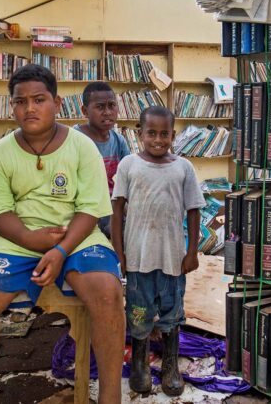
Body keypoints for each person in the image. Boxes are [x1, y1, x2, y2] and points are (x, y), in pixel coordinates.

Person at [0, 64, 125, 404]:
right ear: (11, 107)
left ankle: (111, 396)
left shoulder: (82, 147)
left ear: (58, 103)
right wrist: (33, 241)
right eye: (21, 102)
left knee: (108, 292)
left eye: (39, 99)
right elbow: (0, 212)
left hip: (78, 236)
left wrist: (61, 250)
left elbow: (90, 209)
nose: (30, 108)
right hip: (18, 238)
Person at [111, 105, 204, 396]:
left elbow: (193, 211)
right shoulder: (128, 165)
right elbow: (116, 212)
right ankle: (139, 363)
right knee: (138, 312)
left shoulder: (183, 167)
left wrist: (192, 252)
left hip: (172, 258)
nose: (158, 140)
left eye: (165, 134)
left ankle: (170, 365)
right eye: (151, 133)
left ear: (173, 135)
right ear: (140, 134)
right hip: (138, 258)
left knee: (172, 312)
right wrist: (119, 252)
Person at [74, 81, 131, 237]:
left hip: (114, 211)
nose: (107, 112)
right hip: (83, 212)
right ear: (85, 111)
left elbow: (129, 179)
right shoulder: (74, 140)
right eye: (100, 107)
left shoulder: (119, 141)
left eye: (112, 105)